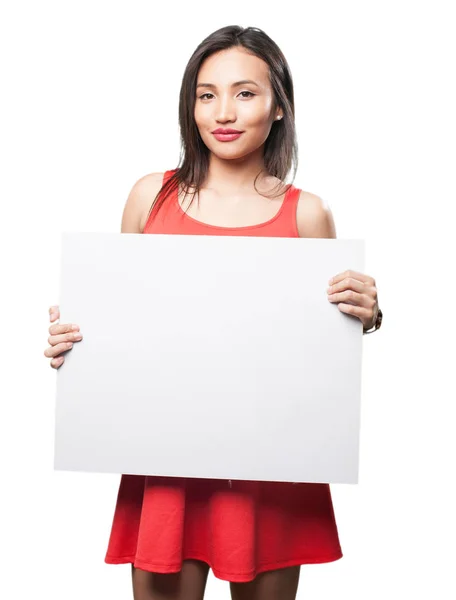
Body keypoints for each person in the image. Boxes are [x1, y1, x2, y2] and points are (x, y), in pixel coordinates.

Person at [44, 25, 381, 600]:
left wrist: (369, 313)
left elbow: (321, 349)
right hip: (166, 459)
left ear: (280, 107)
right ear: (190, 105)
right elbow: (124, 321)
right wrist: (78, 343)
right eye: (206, 94)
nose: (223, 111)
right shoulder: (151, 196)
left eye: (245, 93)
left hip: (270, 462)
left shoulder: (307, 215)